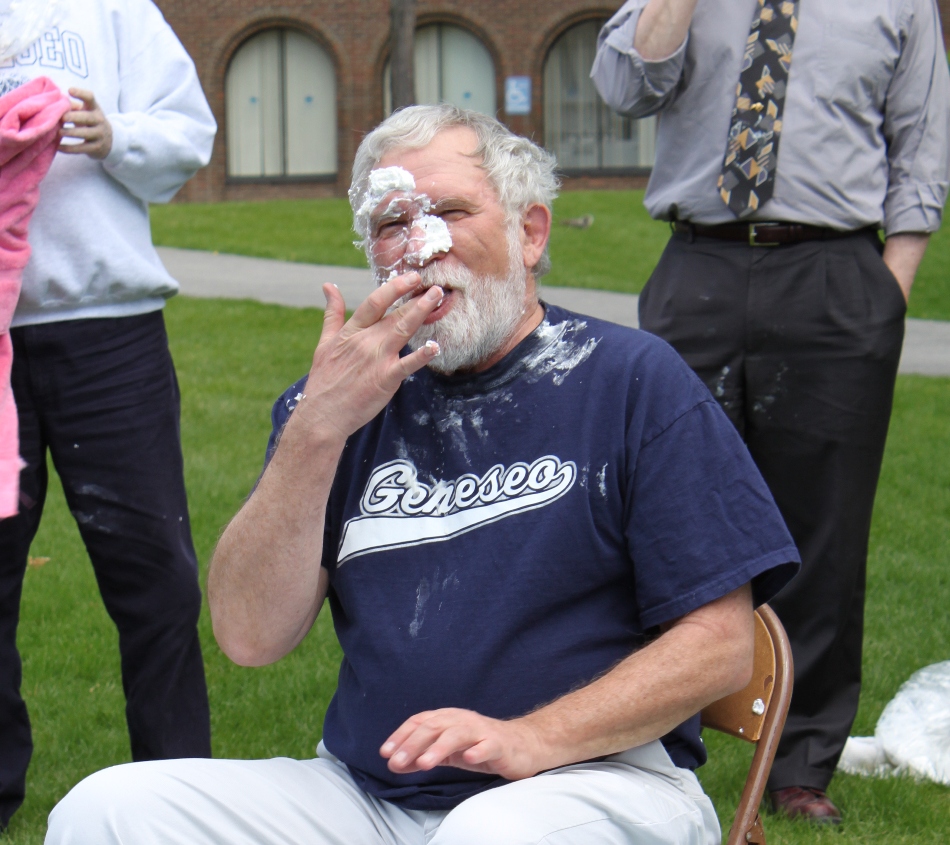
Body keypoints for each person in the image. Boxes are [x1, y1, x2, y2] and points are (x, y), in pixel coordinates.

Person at [45, 105, 798, 845]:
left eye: (449, 211)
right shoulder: (337, 406)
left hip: (593, 781)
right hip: (364, 795)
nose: (420, 245)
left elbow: (719, 644)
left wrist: (531, 738)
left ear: (530, 233)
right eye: (391, 223)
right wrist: (315, 430)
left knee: (488, 833)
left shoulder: (632, 380)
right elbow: (248, 635)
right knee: (108, 808)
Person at [591, 0, 950, 824]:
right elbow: (624, 86)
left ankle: (799, 762)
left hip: (836, 274)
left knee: (825, 527)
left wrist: (884, 294)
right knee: (658, 512)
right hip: (699, 266)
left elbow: (921, 141)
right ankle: (647, 734)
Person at [0, 0, 216, 829]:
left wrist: (111, 132)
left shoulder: (112, 7)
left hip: (108, 332)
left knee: (155, 582)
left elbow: (187, 133)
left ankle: (179, 795)